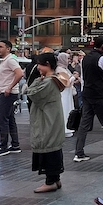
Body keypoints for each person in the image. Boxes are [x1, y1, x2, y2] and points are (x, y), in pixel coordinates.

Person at [71, 36, 103, 163]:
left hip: (87, 93)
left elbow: (84, 77)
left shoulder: (86, 58)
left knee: (84, 123)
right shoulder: (102, 58)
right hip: (98, 94)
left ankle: (79, 152)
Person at [28, 52, 70, 193]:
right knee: (53, 148)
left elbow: (31, 93)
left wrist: (35, 81)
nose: (38, 67)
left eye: (39, 64)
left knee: (48, 148)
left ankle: (50, 181)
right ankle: (55, 179)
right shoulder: (55, 80)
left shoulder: (48, 82)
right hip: (52, 120)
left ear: (47, 64)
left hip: (46, 121)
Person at [0, 40, 24, 157]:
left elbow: (19, 73)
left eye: (1, 47)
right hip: (5, 92)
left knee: (2, 119)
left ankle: (3, 146)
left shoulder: (10, 60)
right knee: (10, 119)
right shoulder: (5, 61)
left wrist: (9, 87)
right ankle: (15, 144)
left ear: (8, 49)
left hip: (7, 93)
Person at [57, 52, 78, 137]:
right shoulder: (59, 70)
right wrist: (74, 77)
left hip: (67, 93)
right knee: (64, 109)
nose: (69, 60)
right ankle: (64, 128)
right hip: (64, 93)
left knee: (68, 109)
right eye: (67, 58)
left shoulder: (65, 69)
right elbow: (65, 83)